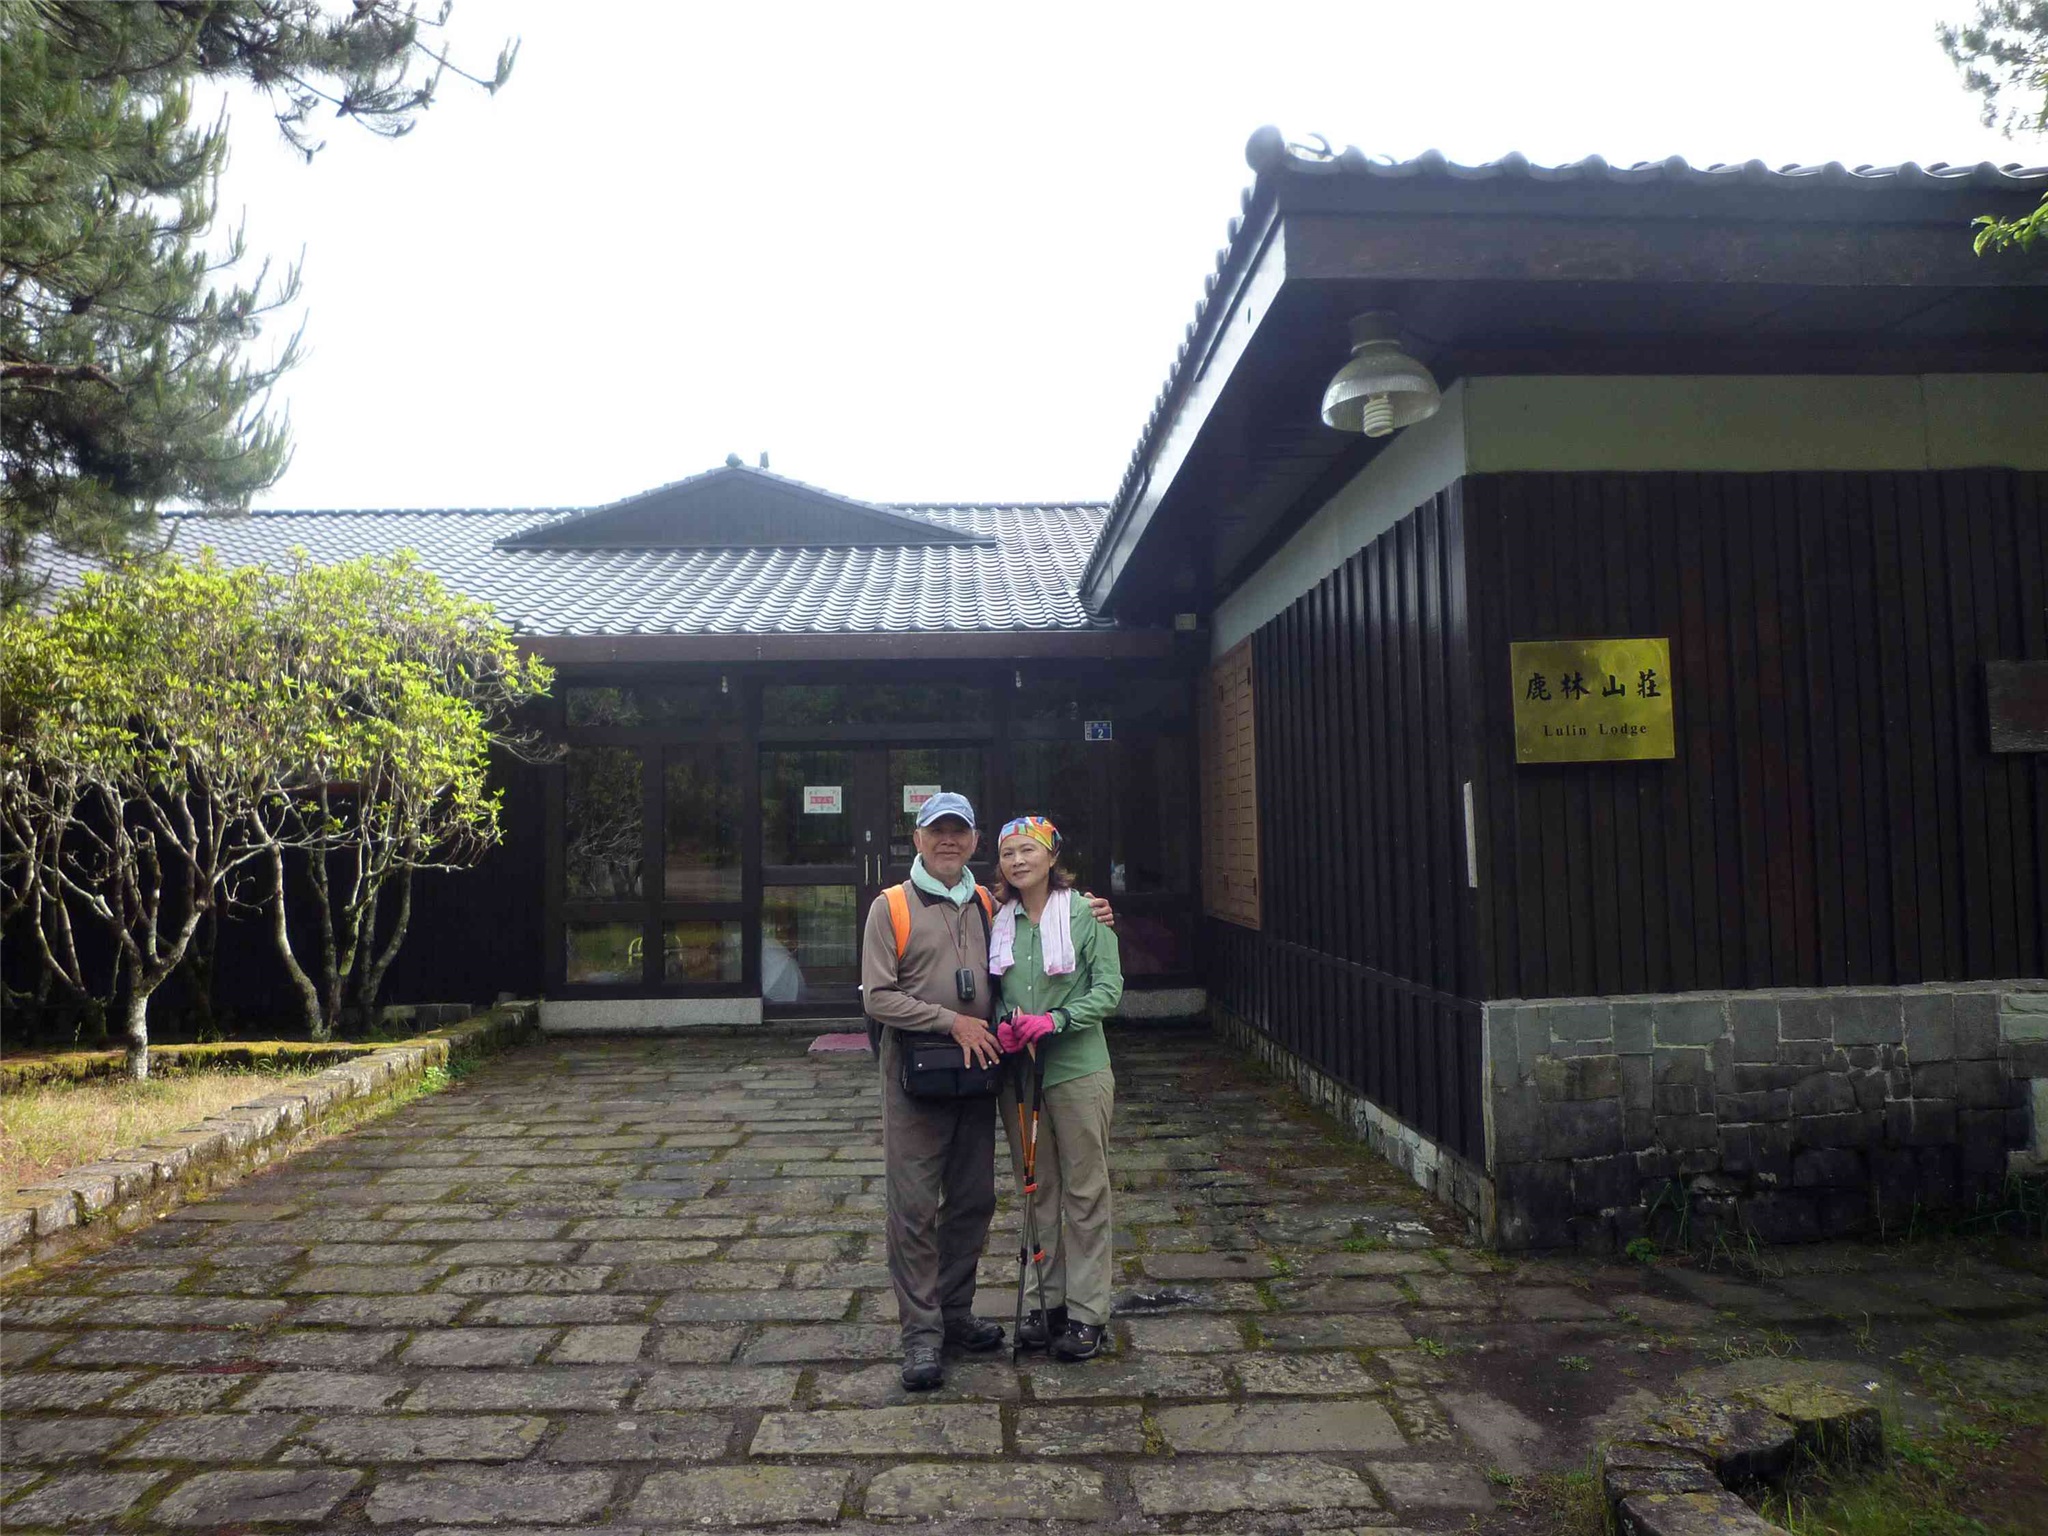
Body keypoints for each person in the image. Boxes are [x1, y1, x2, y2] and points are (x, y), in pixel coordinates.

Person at [990, 814, 1124, 1362]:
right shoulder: (998, 920)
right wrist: (1003, 1022)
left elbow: (1109, 989)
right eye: (1007, 853)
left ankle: (1088, 1312)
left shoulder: (1086, 915)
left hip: (1078, 1070)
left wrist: (1058, 1019)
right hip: (1020, 1075)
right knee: (1035, 1188)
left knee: (1085, 1191)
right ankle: (1044, 1302)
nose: (1017, 861)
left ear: (1051, 856)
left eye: (1028, 850)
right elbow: (994, 992)